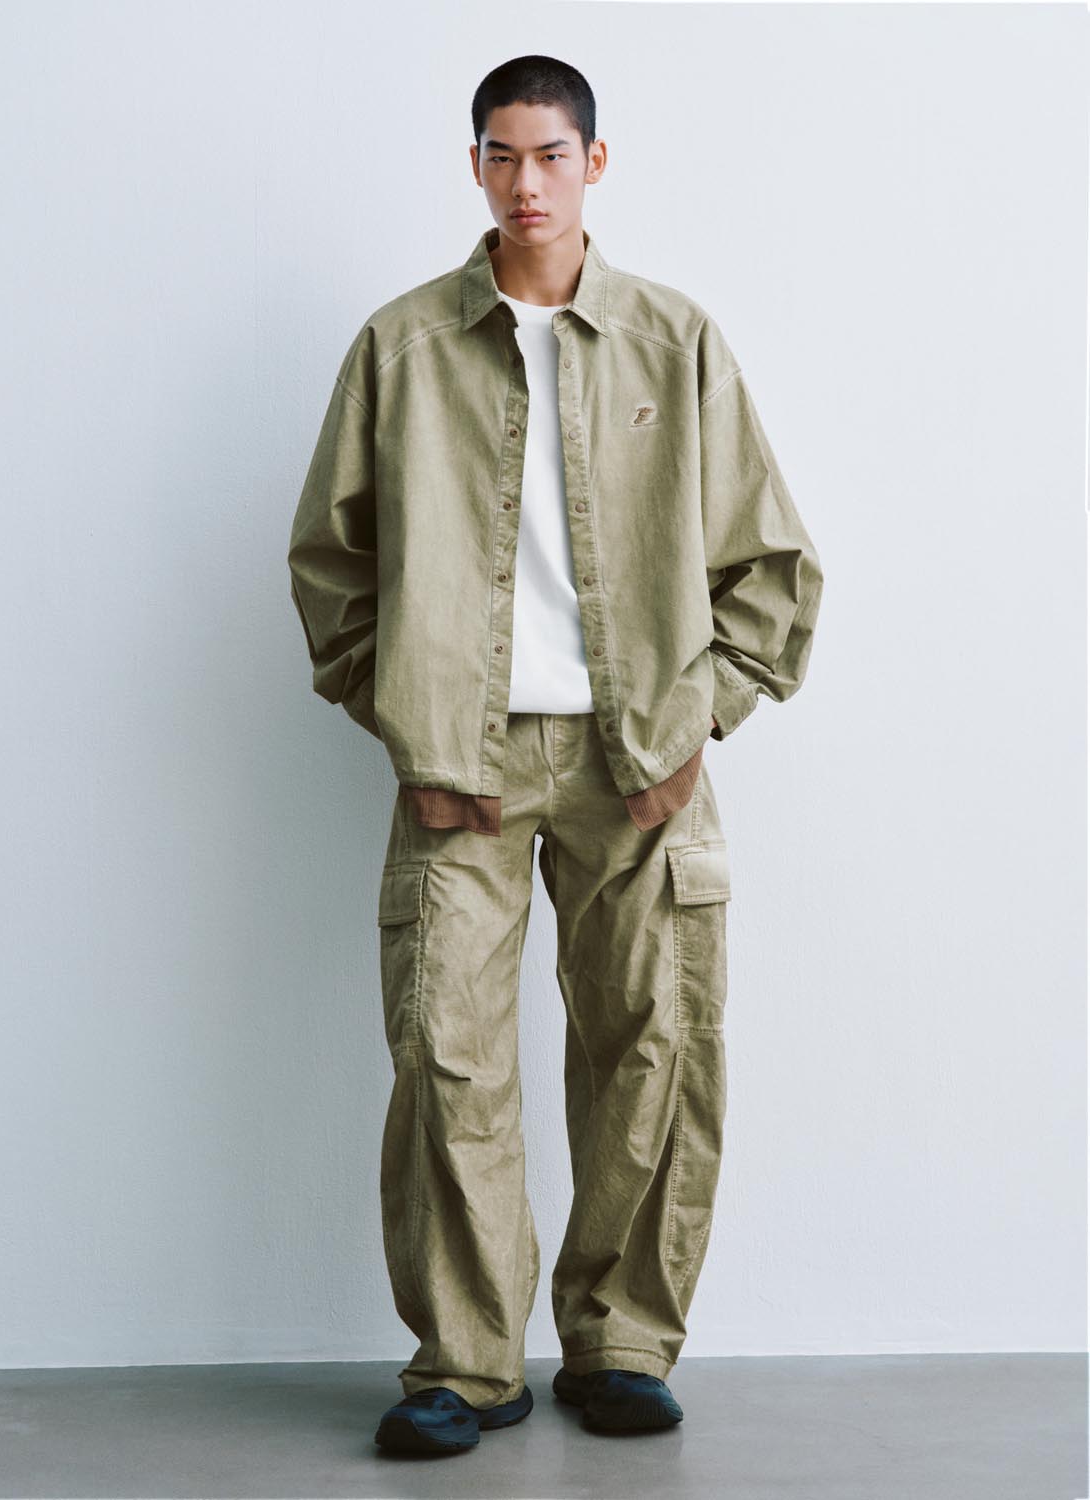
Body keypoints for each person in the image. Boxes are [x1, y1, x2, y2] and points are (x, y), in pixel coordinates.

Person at [287, 54, 823, 1456]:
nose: (526, 182)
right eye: (501, 154)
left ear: (595, 162)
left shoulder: (672, 340)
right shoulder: (402, 347)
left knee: (652, 1046)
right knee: (447, 1056)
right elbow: (330, 566)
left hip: (638, 764)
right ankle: (464, 1366)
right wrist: (407, 716)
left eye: (550, 154)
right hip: (454, 770)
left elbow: (770, 566)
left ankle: (622, 1343)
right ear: (474, 165)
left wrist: (696, 728)